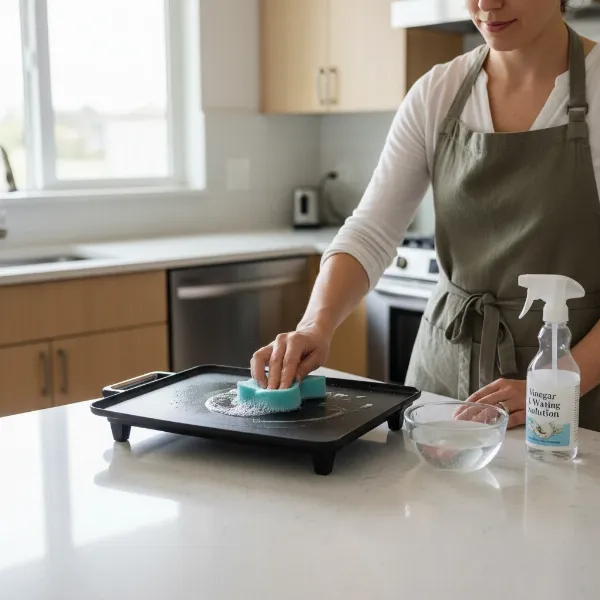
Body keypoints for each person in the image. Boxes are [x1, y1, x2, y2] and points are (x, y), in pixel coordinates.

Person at [251, 0, 600, 432]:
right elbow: (370, 231)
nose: (487, 4)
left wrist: (556, 384)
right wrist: (314, 326)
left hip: (573, 391)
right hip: (442, 383)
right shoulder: (437, 91)